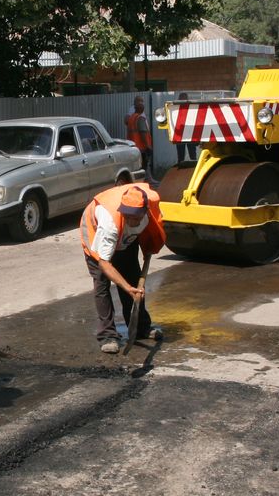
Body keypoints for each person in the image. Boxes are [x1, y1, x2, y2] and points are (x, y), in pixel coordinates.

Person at [80, 183, 166, 354]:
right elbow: (104, 263)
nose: (131, 220)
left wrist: (148, 248)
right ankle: (107, 335)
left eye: (135, 217)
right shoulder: (109, 223)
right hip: (94, 230)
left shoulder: (149, 210)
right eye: (127, 215)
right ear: (122, 209)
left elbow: (151, 232)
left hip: (126, 239)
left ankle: (141, 328)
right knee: (101, 283)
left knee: (133, 277)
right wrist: (127, 288)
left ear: (144, 212)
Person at [124, 95, 153, 176]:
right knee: (143, 166)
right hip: (141, 147)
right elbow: (143, 133)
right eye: (140, 102)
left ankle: (145, 180)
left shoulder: (132, 117)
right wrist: (148, 146)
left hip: (133, 146)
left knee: (138, 168)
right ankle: (145, 182)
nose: (142, 103)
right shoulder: (139, 118)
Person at [174, 92, 197, 165]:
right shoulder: (176, 109)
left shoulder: (190, 109)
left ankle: (193, 168)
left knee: (192, 155)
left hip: (189, 134)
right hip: (181, 134)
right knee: (182, 155)